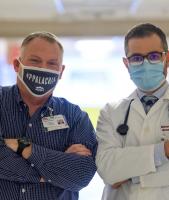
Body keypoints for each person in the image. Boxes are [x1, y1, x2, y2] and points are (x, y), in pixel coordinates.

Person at [96, 23, 169, 200]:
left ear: (168, 58)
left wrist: (130, 175)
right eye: (136, 58)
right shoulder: (111, 112)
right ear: (126, 64)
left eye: (153, 56)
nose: (145, 63)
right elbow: (108, 170)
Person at [0, 31, 97, 200]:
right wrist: (51, 174)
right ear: (17, 65)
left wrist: (24, 147)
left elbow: (81, 174)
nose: (43, 68)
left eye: (52, 63)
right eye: (35, 61)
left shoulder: (74, 116)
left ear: (61, 71)